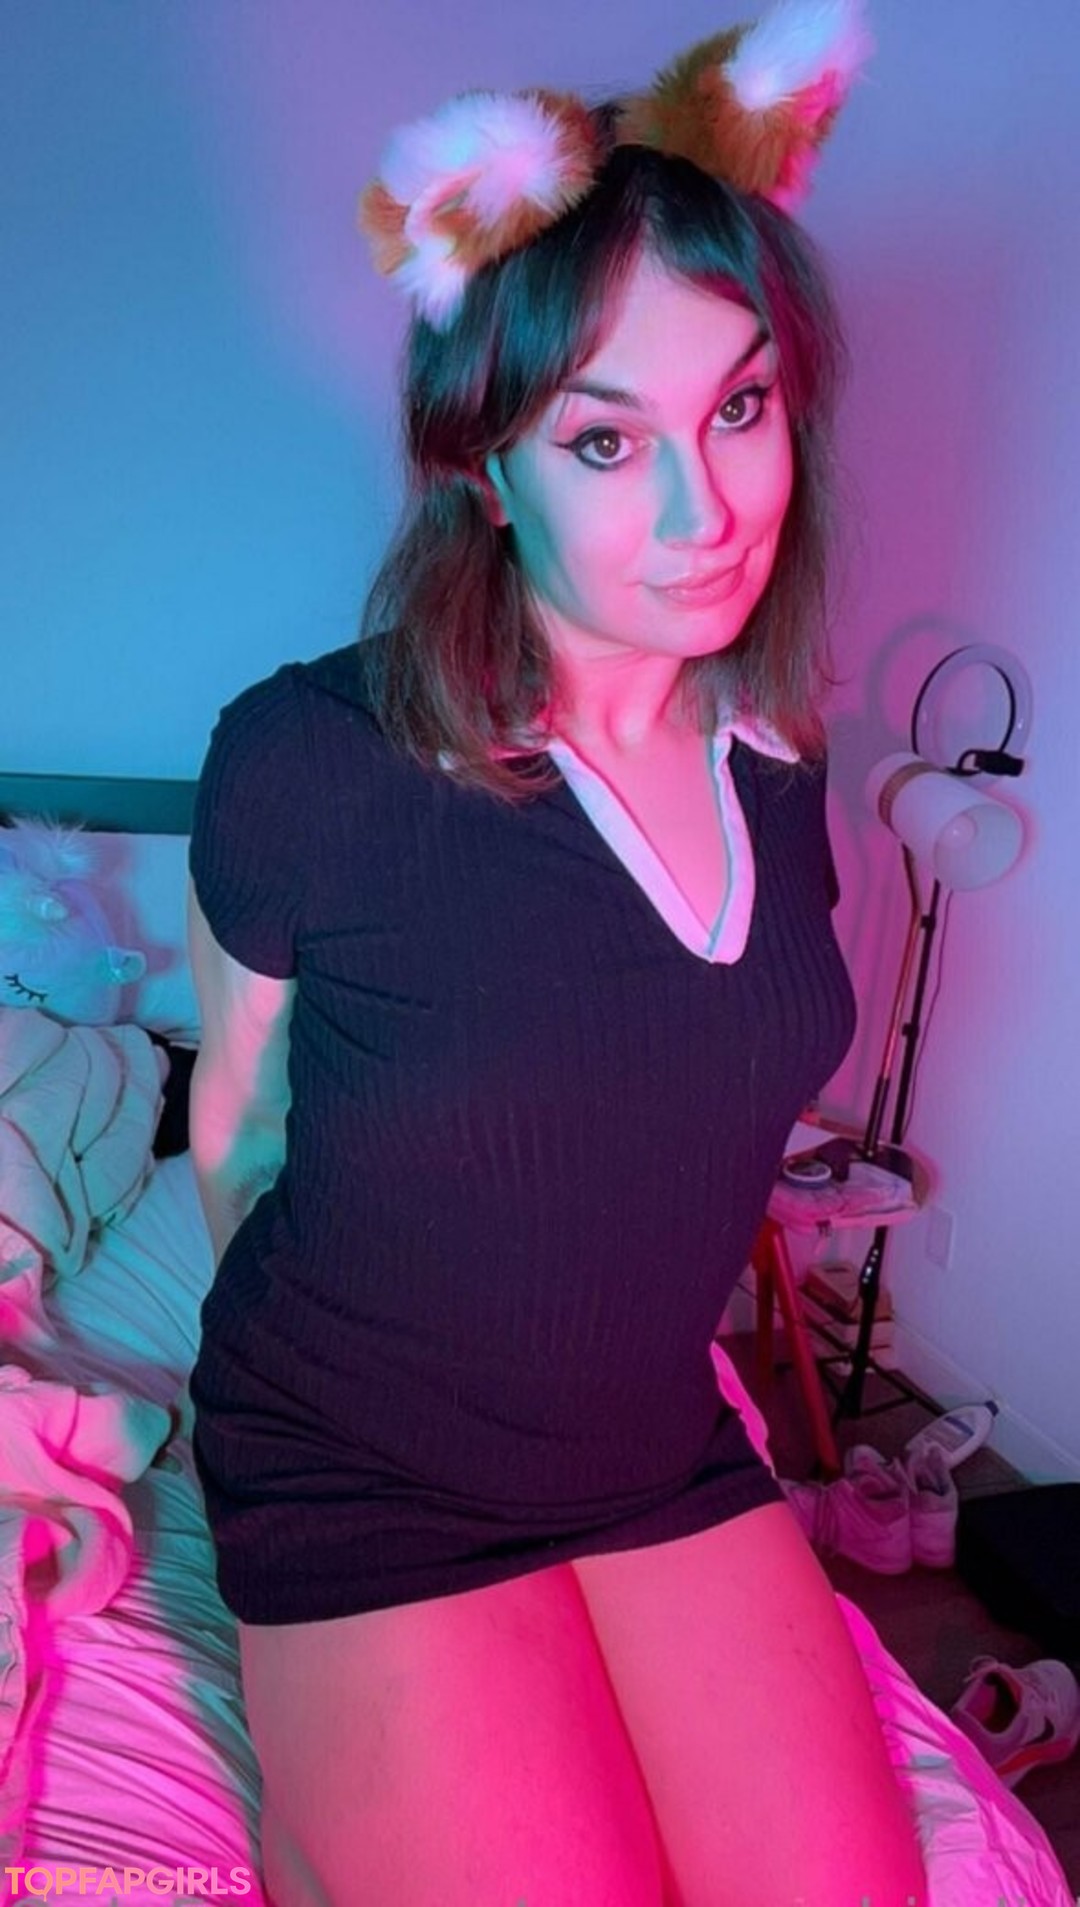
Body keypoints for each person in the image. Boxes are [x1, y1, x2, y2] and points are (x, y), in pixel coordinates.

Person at [187, 3, 928, 1901]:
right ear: (480, 467)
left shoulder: (782, 756)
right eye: (605, 440)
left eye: (740, 409)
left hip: (652, 1434)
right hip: (362, 1456)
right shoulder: (311, 759)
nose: (707, 512)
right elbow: (238, 1130)